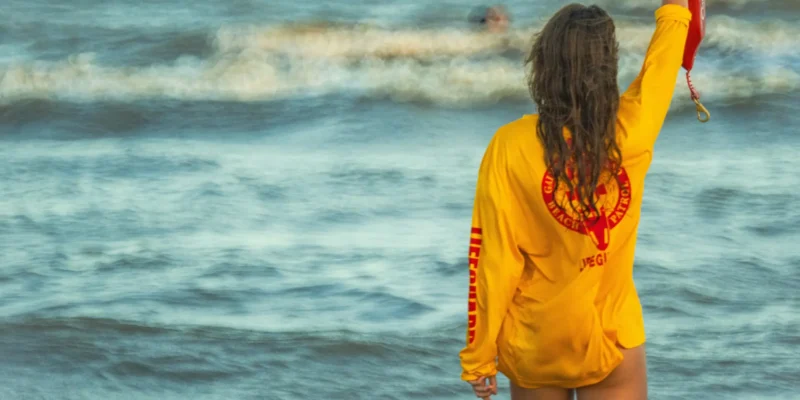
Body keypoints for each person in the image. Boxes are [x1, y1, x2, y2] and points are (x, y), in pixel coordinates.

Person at [459, 1, 692, 399]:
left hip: (536, 340)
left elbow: (492, 261)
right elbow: (661, 66)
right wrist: (677, 11)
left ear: (544, 64)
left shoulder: (510, 146)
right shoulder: (632, 130)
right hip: (611, 334)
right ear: (609, 66)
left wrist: (478, 357)